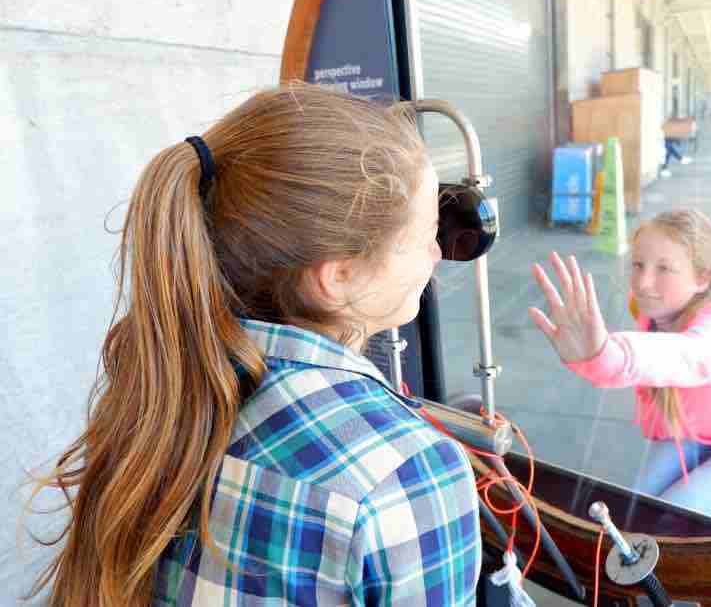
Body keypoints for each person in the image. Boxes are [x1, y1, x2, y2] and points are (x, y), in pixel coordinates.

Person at [26, 83, 481, 606]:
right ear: (338, 276)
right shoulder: (406, 471)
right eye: (423, 232)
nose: (435, 252)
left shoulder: (157, 389)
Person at [528, 209, 711, 519]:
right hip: (699, 430)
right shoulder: (658, 311)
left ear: (703, 278)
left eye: (664, 269)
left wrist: (606, 355)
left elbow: (689, 356)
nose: (643, 283)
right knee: (635, 506)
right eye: (638, 265)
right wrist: (592, 358)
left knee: (676, 517)